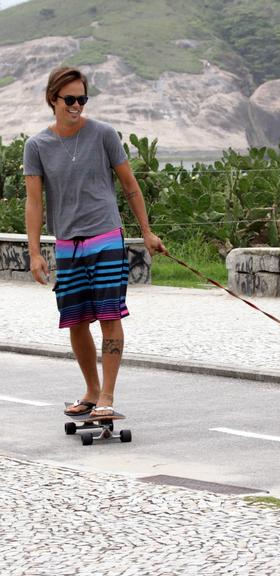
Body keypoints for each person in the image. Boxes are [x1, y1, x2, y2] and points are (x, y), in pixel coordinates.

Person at [24, 66, 166, 418]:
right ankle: (90, 389)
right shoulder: (37, 145)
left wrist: (146, 232)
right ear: (52, 99)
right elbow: (34, 202)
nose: (76, 106)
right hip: (67, 245)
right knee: (75, 320)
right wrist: (34, 253)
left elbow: (130, 186)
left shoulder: (103, 134)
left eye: (82, 99)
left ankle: (107, 395)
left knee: (108, 317)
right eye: (69, 99)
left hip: (106, 238)